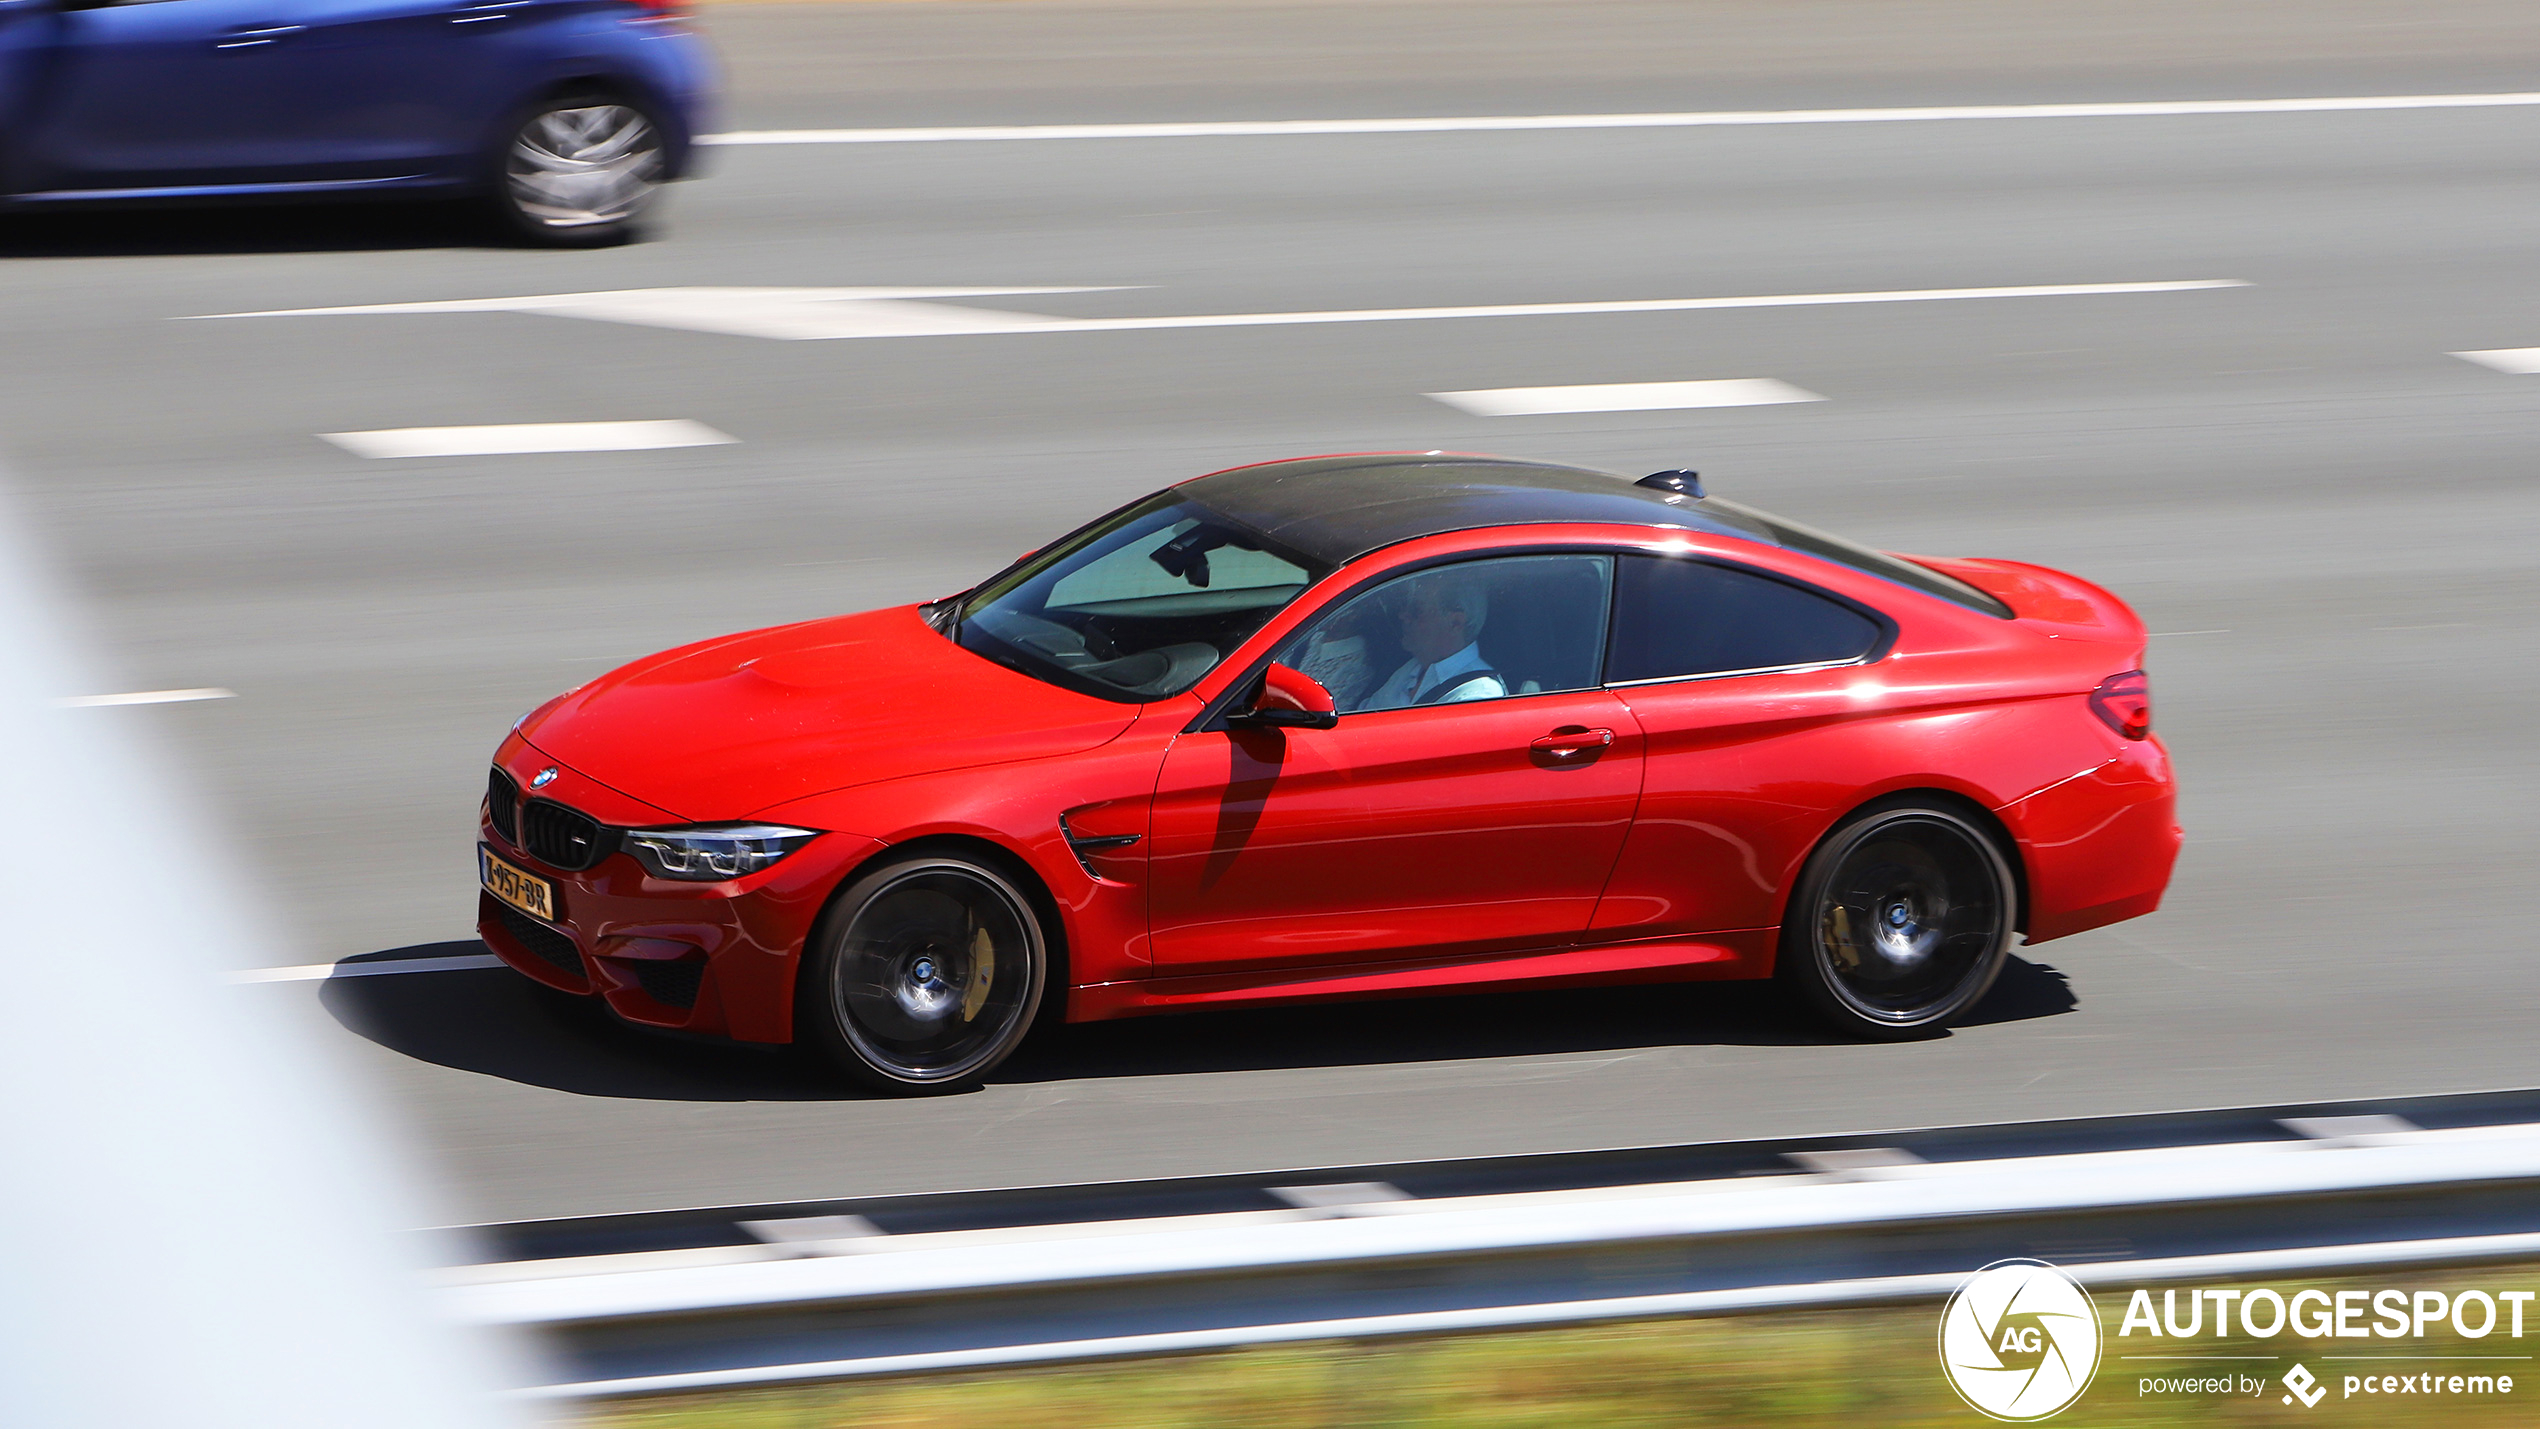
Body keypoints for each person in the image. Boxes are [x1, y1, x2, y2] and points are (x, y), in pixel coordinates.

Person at [1356, 571, 1506, 711]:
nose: (1403, 616)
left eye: (1417, 611)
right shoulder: (1412, 669)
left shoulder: (1478, 696)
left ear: (1455, 622)